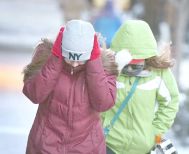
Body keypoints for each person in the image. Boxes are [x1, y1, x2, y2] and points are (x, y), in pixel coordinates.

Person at [22, 19, 119, 154]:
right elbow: (34, 94)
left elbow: (103, 103)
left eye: (80, 59)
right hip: (45, 147)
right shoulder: (46, 57)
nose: (74, 64)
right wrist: (55, 59)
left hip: (86, 148)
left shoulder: (104, 65)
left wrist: (94, 63)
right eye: (70, 58)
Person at [101, 20, 180, 154]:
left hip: (143, 148)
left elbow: (171, 101)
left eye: (137, 64)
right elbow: (96, 98)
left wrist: (155, 131)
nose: (131, 68)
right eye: (128, 64)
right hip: (108, 145)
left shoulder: (159, 74)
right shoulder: (108, 69)